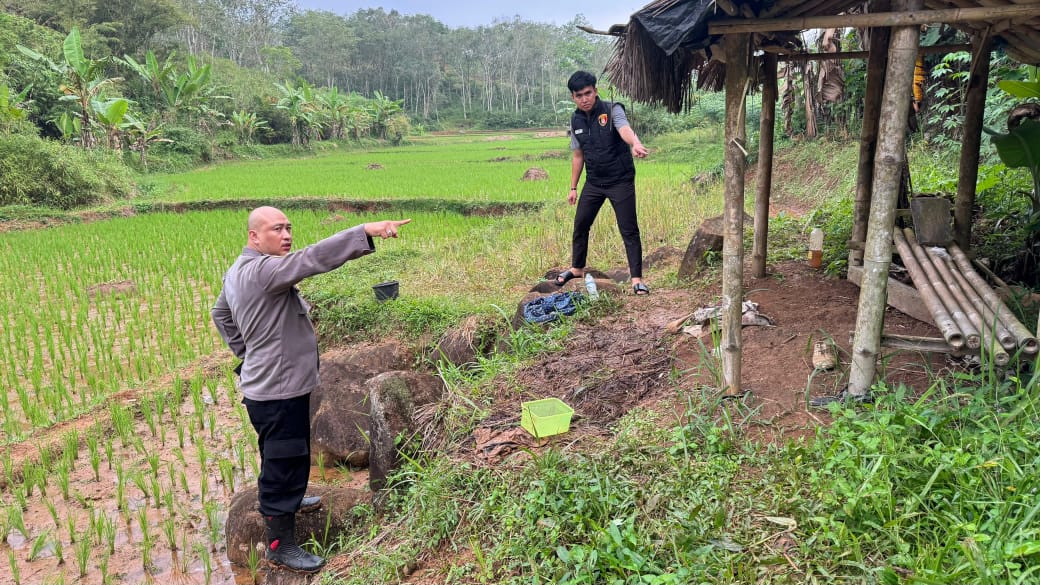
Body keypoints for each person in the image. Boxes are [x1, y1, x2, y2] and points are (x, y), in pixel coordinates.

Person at [211, 206, 411, 572]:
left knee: (286, 452)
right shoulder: (264, 270)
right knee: (282, 460)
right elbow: (312, 258)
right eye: (276, 229)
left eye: (288, 228)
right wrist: (366, 230)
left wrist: (248, 353)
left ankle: (292, 498)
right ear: (254, 237)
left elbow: (219, 314)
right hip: (277, 390)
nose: (286, 235)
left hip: (271, 386)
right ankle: (280, 546)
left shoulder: (237, 270)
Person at [555, 70, 650, 295]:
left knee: (629, 229)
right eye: (579, 95)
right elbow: (578, 155)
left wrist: (635, 143)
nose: (584, 99)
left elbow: (624, 128)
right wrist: (573, 188)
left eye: (588, 93)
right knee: (580, 225)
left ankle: (636, 279)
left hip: (620, 180)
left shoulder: (612, 109)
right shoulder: (576, 118)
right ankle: (577, 268)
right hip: (594, 182)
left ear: (596, 91)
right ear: (573, 97)